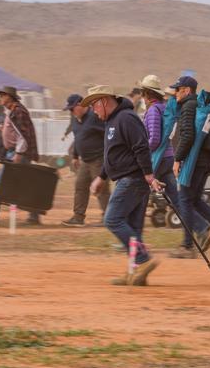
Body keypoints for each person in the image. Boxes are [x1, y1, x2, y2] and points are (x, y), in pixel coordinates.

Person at [82, 85, 163, 285]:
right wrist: (101, 177)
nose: (93, 110)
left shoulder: (126, 118)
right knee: (133, 228)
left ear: (103, 101)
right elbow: (113, 155)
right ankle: (135, 273)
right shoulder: (112, 121)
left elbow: (141, 146)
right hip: (129, 179)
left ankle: (143, 261)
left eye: (94, 105)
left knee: (112, 219)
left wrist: (148, 175)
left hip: (133, 179)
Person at [140, 75, 210, 259]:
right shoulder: (164, 108)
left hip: (158, 160)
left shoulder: (154, 110)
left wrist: (139, 149)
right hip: (167, 158)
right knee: (178, 201)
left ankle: (134, 238)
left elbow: (154, 139)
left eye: (142, 93)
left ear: (146, 94)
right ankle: (201, 228)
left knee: (136, 195)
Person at [172, 76, 210, 254]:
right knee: (195, 200)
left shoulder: (189, 107)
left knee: (184, 200)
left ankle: (188, 246)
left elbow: (187, 135)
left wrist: (177, 159)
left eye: (177, 89)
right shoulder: (199, 106)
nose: (175, 93)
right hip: (206, 161)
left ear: (187, 90)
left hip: (195, 162)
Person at [0, 86, 41, 225]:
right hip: (14, 152)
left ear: (9, 97)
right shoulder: (12, 111)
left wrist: (18, 153)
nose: (1, 99)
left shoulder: (18, 111)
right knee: (25, 183)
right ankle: (34, 214)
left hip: (18, 153)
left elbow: (23, 135)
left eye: (2, 96)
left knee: (1, 181)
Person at [61, 94, 110, 227]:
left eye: (72, 109)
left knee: (101, 189)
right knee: (80, 186)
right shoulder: (76, 120)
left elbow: (108, 135)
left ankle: (109, 217)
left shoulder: (95, 117)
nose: (71, 112)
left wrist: (109, 155)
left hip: (99, 160)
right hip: (85, 161)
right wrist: (76, 156)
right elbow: (78, 139)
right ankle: (78, 217)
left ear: (80, 105)